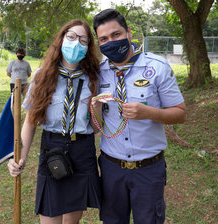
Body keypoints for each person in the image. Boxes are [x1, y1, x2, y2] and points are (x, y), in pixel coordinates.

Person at [92, 9, 187, 224]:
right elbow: (95, 123)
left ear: (129, 33)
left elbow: (180, 114)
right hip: (111, 169)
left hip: (148, 170)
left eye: (116, 35)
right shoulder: (97, 73)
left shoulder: (157, 67)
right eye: (104, 39)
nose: (111, 42)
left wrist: (149, 113)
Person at [7, 19, 101, 224]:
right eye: (72, 37)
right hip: (53, 149)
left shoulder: (93, 79)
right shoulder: (42, 76)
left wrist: (98, 110)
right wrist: (19, 157)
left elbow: (94, 128)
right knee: (49, 218)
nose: (76, 44)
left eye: (83, 40)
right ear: (61, 39)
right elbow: (30, 122)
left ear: (88, 47)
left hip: (83, 150)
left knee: (71, 221)